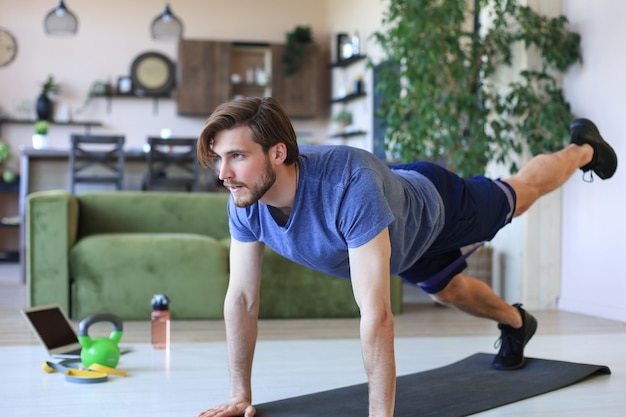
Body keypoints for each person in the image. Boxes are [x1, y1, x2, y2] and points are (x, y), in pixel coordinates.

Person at [195, 97, 617, 417]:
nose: (223, 173)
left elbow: (375, 314)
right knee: (448, 292)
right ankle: (518, 323)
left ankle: (583, 149)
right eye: (219, 158)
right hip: (396, 240)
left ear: (278, 153)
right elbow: (243, 300)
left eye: (237, 156)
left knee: (522, 192)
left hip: (437, 207)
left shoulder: (347, 186)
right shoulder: (244, 200)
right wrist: (240, 396)